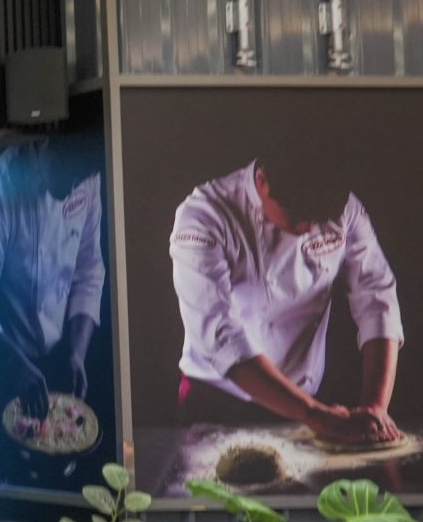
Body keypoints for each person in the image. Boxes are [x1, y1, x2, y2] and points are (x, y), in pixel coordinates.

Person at [168, 149, 404, 447]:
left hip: (307, 401)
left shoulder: (346, 209)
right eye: (298, 215)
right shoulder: (204, 216)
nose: (309, 228)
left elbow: (377, 297)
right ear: (262, 181)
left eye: (320, 219)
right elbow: (220, 336)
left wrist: (375, 407)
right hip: (218, 401)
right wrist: (313, 413)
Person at [0, 140, 105, 470]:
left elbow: (89, 271)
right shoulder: (0, 187)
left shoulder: (87, 178)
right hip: (3, 360)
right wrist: (13, 363)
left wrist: (77, 353)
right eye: (65, 172)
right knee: (5, 467)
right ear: (43, 146)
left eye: (80, 177)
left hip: (60, 355)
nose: (73, 186)